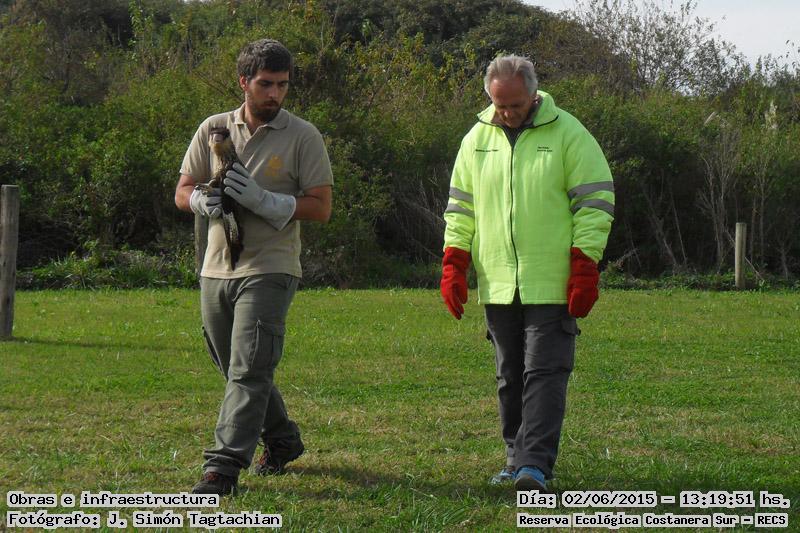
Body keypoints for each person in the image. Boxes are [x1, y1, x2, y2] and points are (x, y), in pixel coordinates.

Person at [440, 54, 614, 491]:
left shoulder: (569, 133)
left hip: (552, 280)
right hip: (498, 283)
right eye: (499, 105)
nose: (507, 113)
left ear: (534, 94)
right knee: (510, 376)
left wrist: (584, 264)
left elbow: (595, 203)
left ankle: (533, 466)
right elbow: (460, 208)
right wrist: (454, 263)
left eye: (515, 105)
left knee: (544, 373)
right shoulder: (475, 139)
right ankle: (514, 458)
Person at [174, 38, 333, 496]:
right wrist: (201, 201)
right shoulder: (214, 128)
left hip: (271, 266)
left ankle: (222, 469)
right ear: (244, 82)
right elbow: (182, 189)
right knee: (237, 366)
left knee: (248, 369)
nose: (275, 94)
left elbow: (321, 207)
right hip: (216, 268)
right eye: (266, 84)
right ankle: (282, 440)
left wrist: (266, 201)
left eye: (283, 85)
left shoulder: (303, 135)